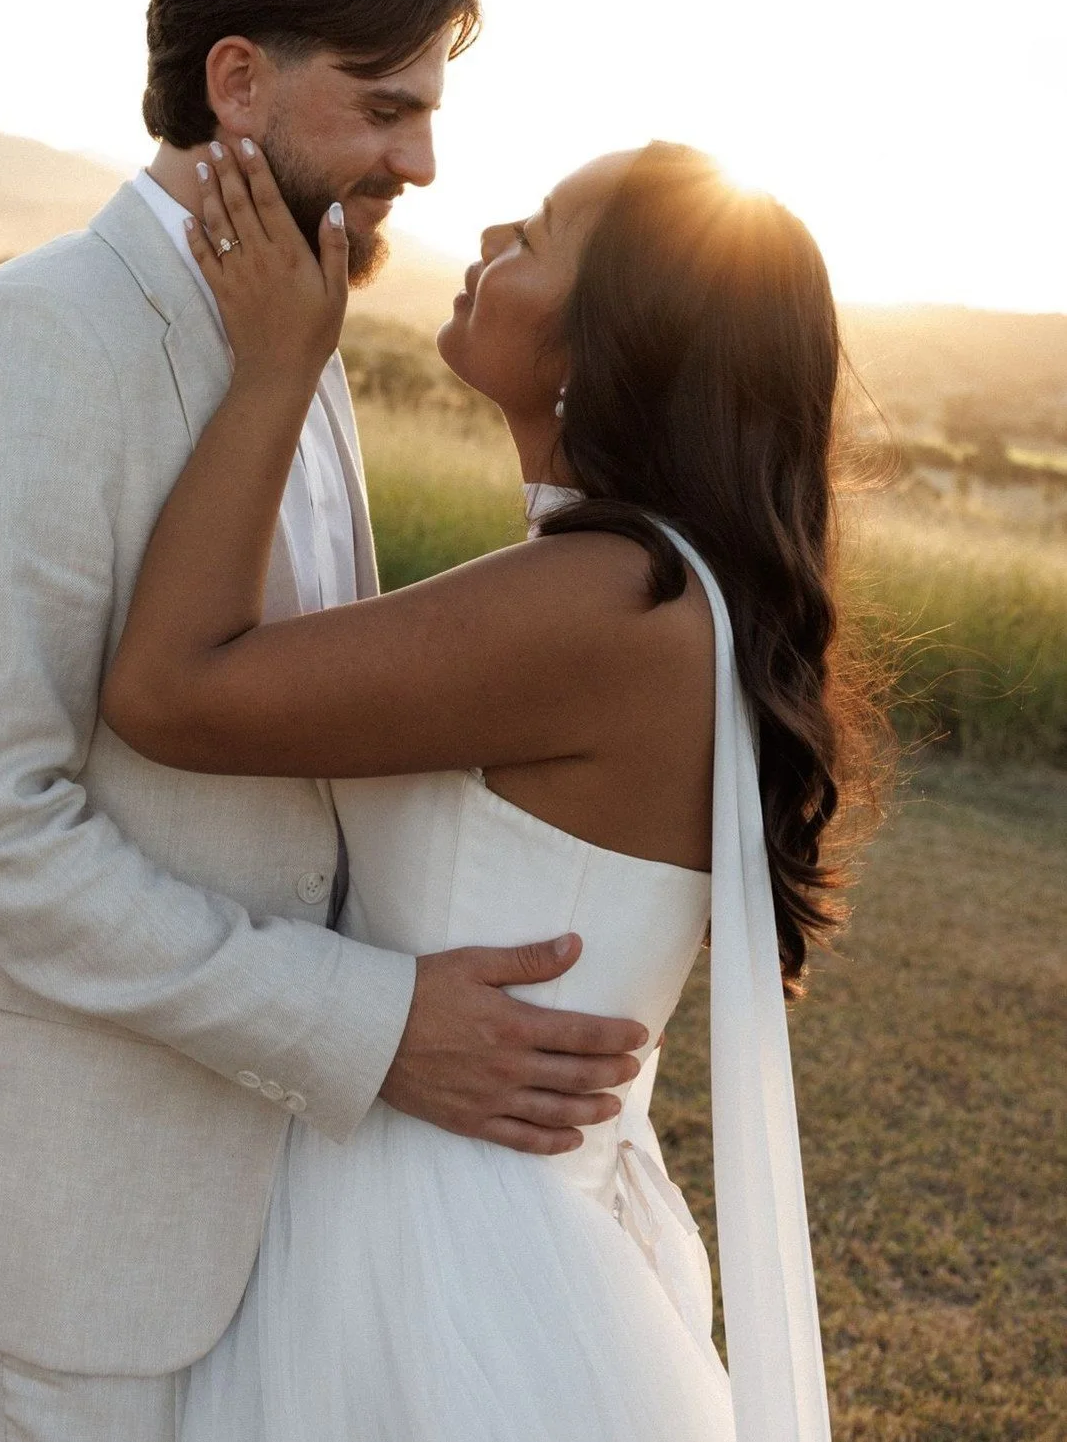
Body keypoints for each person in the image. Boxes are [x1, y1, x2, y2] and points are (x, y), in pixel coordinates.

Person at [0, 0, 649, 1442]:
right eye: (385, 104)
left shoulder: (297, 338)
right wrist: (370, 1021)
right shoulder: (35, 341)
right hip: (66, 1212)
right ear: (238, 83)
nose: (421, 157)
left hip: (279, 1211)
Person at [103, 137, 888, 1440]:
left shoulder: (609, 602)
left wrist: (275, 370)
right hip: (450, 1209)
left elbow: (169, 694)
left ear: (614, 335)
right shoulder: (648, 588)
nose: (482, 245)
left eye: (529, 235)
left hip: (441, 1264)